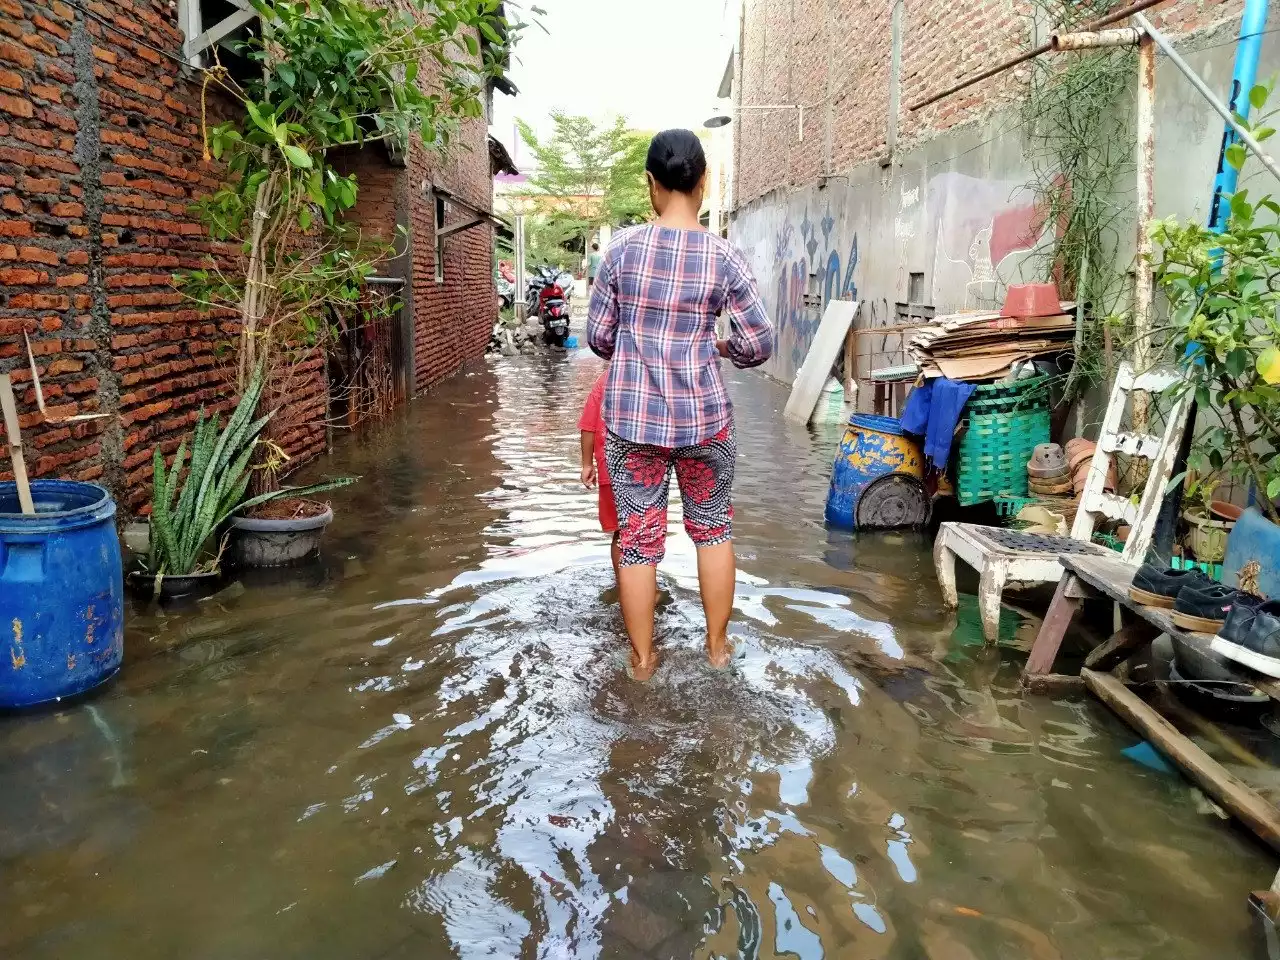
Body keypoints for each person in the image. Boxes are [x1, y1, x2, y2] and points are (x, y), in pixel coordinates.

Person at [587, 129, 773, 681]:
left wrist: (636, 341)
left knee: (639, 541)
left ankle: (643, 663)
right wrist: (720, 346)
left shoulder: (619, 251)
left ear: (651, 184)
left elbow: (599, 338)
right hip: (705, 423)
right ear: (704, 182)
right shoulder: (724, 257)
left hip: (632, 422)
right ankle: (718, 650)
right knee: (714, 530)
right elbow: (761, 343)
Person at [578, 367, 622, 586]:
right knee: (644, 529)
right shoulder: (653, 374)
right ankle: (639, 588)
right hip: (647, 468)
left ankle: (623, 585)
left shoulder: (605, 379)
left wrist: (587, 464)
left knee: (621, 530)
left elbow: (588, 425)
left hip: (611, 465)